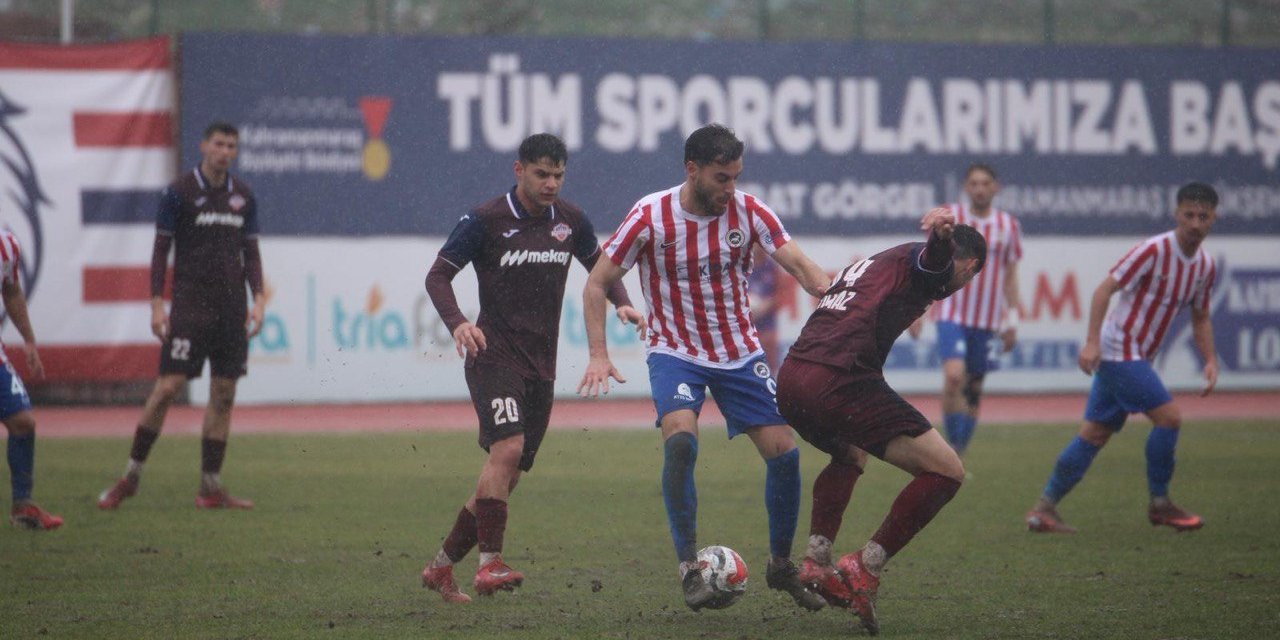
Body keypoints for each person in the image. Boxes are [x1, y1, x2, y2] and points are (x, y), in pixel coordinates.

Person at [578, 124, 832, 612]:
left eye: (736, 177)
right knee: (680, 442)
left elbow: (801, 266)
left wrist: (834, 294)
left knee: (785, 455)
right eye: (721, 178)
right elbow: (596, 284)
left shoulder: (750, 211)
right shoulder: (649, 215)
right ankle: (689, 569)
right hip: (675, 351)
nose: (730, 189)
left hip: (739, 350)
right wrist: (598, 354)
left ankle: (781, 567)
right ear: (691, 169)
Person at [420, 133, 641, 603]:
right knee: (507, 449)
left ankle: (440, 568)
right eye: (542, 174)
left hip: (541, 366)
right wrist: (458, 323)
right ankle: (490, 565)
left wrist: (622, 303)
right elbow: (437, 275)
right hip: (492, 355)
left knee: (509, 470)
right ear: (518, 170)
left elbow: (601, 269)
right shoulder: (484, 220)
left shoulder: (572, 221)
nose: (551, 184)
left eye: (559, 175)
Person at [776, 209, 986, 635]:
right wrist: (942, 241)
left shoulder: (875, 261)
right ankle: (865, 565)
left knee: (849, 452)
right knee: (947, 471)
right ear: (971, 267)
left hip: (793, 378)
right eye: (966, 277)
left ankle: (817, 561)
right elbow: (933, 264)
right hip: (840, 380)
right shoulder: (931, 263)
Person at [1025, 182, 1219, 534]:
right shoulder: (1154, 250)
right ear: (1177, 214)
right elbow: (1104, 290)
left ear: (1213, 219)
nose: (1194, 223)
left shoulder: (1204, 266)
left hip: (1139, 355)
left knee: (1095, 433)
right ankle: (1160, 504)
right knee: (1170, 419)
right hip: (1119, 349)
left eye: (1202, 216)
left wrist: (1210, 359)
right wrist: (1092, 342)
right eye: (1188, 215)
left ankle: (1044, 509)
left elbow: (1201, 316)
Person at [97, 121, 266, 511]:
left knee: (224, 394)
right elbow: (160, 251)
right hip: (191, 308)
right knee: (168, 387)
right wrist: (157, 303)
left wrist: (258, 298)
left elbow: (251, 253)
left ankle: (210, 488)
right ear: (204, 145)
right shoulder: (179, 193)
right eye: (219, 144)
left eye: (232, 146)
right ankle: (131, 476)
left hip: (231, 310)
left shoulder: (244, 196)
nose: (225, 151)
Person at [930, 163, 1022, 456]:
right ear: (966, 188)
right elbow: (929, 260)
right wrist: (919, 308)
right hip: (951, 310)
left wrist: (1013, 319)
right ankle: (953, 448)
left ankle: (960, 450)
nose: (980, 189)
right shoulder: (951, 219)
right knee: (954, 375)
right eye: (974, 183)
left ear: (996, 187)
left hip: (987, 318)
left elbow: (1010, 275)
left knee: (975, 387)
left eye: (985, 183)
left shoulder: (1008, 226)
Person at [1, 230, 62, 530]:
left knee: (23, 422)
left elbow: (11, 291)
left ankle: (22, 506)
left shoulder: (6, 245)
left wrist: (28, 339)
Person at [747, 244, 783, 371]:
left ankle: (773, 384)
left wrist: (766, 306)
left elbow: (781, 294)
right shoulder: (741, 265)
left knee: (769, 358)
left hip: (766, 323)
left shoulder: (771, 268)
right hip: (744, 323)